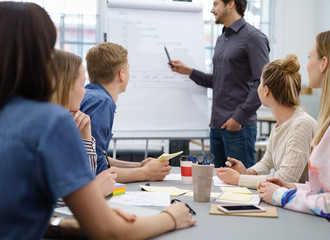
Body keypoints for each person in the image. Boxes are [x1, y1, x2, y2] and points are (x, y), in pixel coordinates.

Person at [0, 2, 195, 239]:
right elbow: (109, 232)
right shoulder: (49, 122)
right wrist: (172, 217)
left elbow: (18, 212)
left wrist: (69, 226)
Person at [257, 30, 330, 223]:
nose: (305, 65)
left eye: (309, 57)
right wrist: (291, 187)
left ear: (324, 63)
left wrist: (281, 195)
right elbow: (329, 190)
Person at [169, 0, 270, 168]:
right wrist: (188, 71)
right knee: (217, 183)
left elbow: (262, 83)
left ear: (230, 4)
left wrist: (238, 119)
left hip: (238, 128)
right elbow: (219, 80)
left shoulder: (254, 37)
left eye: (216, 4)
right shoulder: (222, 39)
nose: (212, 9)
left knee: (241, 187)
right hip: (217, 126)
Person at [216, 54, 317, 189]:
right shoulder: (281, 124)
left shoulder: (302, 125)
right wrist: (247, 172)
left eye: (260, 83)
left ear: (266, 90)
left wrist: (239, 179)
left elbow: (285, 178)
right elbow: (267, 163)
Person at [80, 42, 172, 182]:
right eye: (128, 70)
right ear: (121, 75)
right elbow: (98, 171)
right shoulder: (102, 102)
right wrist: (145, 173)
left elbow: (96, 156)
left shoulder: (90, 95)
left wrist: (138, 166)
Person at [52, 49, 117, 197]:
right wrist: (95, 191)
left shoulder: (66, 124)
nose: (85, 92)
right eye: (82, 85)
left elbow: (85, 178)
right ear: (65, 87)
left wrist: (86, 135)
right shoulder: (43, 133)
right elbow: (51, 200)